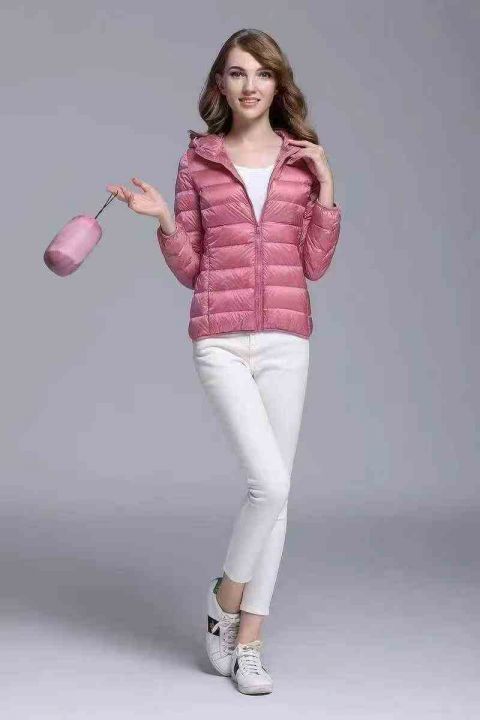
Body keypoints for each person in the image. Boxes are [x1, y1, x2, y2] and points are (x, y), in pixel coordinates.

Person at [106, 28, 342, 696]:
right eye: (237, 73)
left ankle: (249, 641)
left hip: (286, 338)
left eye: (262, 73)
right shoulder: (199, 161)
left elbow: (316, 263)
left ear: (278, 83)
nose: (250, 86)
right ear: (220, 83)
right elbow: (191, 268)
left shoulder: (301, 162)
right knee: (268, 482)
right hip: (220, 338)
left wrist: (326, 187)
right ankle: (224, 598)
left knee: (279, 492)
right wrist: (164, 221)